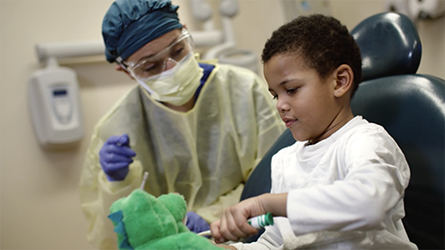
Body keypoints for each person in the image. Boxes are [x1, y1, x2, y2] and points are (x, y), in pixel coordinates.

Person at [78, 0, 286, 249]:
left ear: (187, 34)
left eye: (177, 51)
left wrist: (214, 217)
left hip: (252, 237)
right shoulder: (116, 127)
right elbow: (113, 237)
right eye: (151, 66)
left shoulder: (243, 90)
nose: (171, 68)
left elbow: (275, 179)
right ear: (126, 71)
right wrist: (117, 184)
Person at [210, 14, 418, 250]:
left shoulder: (364, 141)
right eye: (276, 95)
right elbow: (276, 242)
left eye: (291, 89)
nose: (280, 104)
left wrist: (266, 204)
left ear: (339, 81)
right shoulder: (285, 161)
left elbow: (370, 202)